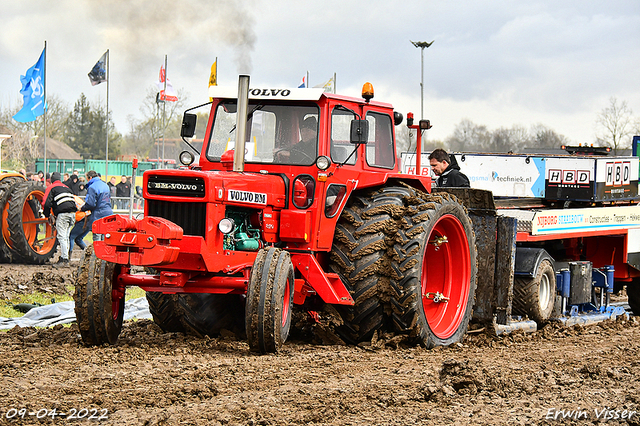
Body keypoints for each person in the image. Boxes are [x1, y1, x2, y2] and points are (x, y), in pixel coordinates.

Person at [42, 172, 77, 268]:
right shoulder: (67, 188)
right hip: (73, 214)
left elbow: (46, 203)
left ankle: (64, 260)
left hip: (63, 214)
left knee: (61, 237)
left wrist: (47, 214)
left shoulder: (52, 187)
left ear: (52, 180)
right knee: (66, 236)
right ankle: (66, 258)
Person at [80, 170, 113, 242]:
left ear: (90, 178)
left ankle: (96, 253)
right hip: (108, 212)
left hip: (98, 214)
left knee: (97, 238)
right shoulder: (105, 185)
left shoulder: (92, 187)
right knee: (105, 238)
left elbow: (90, 204)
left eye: (87, 179)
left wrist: (82, 209)